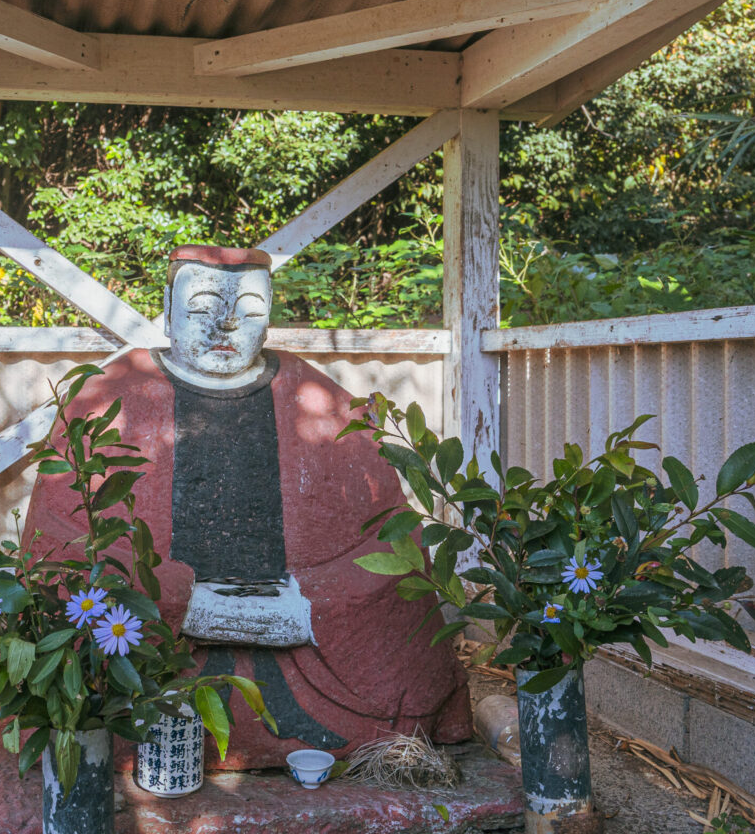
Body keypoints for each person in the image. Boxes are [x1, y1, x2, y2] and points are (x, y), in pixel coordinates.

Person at [23, 245, 470, 767]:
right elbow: (58, 537)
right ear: (167, 310)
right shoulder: (109, 398)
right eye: (200, 305)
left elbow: (391, 536)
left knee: (403, 655)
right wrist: (186, 602)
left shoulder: (318, 401)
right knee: (84, 699)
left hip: (304, 634)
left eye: (252, 308)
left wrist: (309, 604)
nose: (225, 325)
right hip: (154, 636)